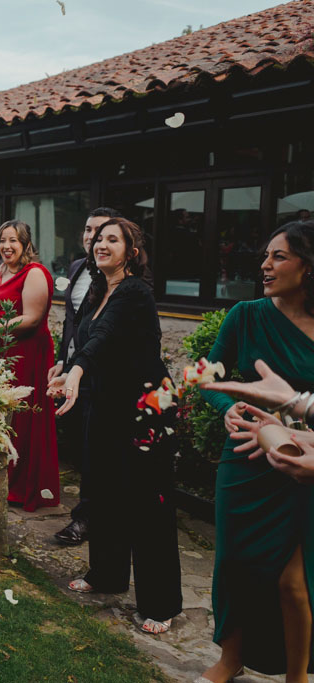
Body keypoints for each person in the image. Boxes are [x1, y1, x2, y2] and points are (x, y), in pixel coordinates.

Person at [49, 217, 182, 635]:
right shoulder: (99, 292)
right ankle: (106, 575)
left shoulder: (135, 294)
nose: (101, 245)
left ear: (132, 251)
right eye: (98, 239)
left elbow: (103, 338)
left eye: (113, 239)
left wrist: (77, 372)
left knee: (146, 503)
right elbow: (85, 338)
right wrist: (66, 369)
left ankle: (160, 603)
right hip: (104, 404)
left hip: (145, 408)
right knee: (102, 489)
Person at [196, 220, 314, 682]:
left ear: (308, 266)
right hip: (245, 459)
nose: (264, 265)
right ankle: (229, 660)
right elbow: (208, 377)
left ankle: (298, 676)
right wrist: (227, 408)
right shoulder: (245, 315)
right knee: (235, 566)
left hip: (304, 467)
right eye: (265, 256)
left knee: (293, 583)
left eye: (278, 256)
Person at [0, 220, 59, 511]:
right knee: (1, 416)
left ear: (25, 243)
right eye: (2, 241)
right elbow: (2, 303)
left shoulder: (34, 273)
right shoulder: (3, 270)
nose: (6, 246)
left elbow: (31, 319)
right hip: (1, 352)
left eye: (13, 240)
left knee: (22, 420)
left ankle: (25, 484)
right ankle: (4, 477)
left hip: (26, 354)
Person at [51, 207, 122, 546]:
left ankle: (87, 519)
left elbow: (102, 331)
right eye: (89, 230)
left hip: (98, 374)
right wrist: (62, 361)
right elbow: (72, 322)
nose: (91, 237)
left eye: (102, 232)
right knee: (80, 446)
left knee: (96, 452)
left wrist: (79, 366)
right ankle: (89, 512)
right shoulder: (78, 267)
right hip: (73, 369)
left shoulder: (117, 280)